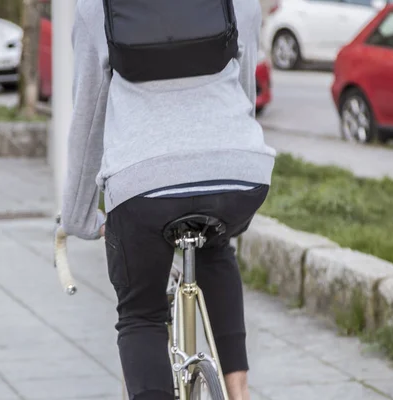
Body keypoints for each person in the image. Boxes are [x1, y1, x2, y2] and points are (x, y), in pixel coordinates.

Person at [61, 0, 276, 398]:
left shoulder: (96, 6)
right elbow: (244, 88)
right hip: (237, 173)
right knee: (215, 246)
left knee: (141, 314)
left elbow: (88, 118)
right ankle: (239, 391)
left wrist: (78, 217)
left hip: (143, 184)